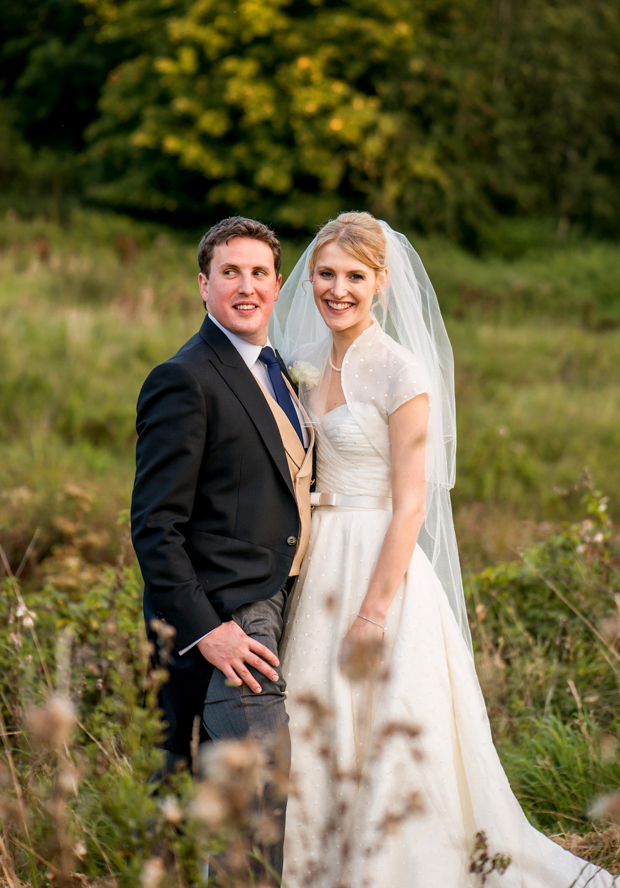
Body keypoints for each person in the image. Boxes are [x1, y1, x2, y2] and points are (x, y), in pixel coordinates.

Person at [270, 211, 616, 887]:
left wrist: (372, 614)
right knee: (315, 722)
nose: (337, 289)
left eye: (354, 277)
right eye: (326, 275)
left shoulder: (401, 372)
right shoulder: (305, 368)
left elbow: (412, 504)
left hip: (380, 571)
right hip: (320, 568)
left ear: (382, 283)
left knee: (390, 725)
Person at [130, 216, 314, 883]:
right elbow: (155, 525)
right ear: (203, 284)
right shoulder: (184, 377)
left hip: (285, 604)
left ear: (278, 283)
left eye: (259, 272)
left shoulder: (280, 373)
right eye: (229, 273)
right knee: (250, 801)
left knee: (222, 805)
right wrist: (209, 631)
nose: (246, 286)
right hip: (230, 623)